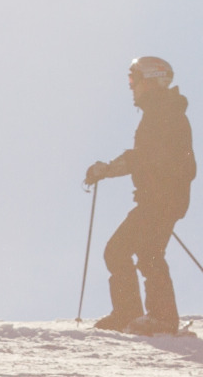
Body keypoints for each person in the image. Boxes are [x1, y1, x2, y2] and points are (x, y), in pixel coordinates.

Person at [84, 57, 196, 336]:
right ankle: (148, 315)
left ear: (150, 80)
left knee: (124, 251)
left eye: (134, 80)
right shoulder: (162, 111)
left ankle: (142, 315)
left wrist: (108, 170)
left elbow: (148, 156)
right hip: (163, 198)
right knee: (146, 253)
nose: (131, 87)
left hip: (161, 199)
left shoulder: (163, 112)